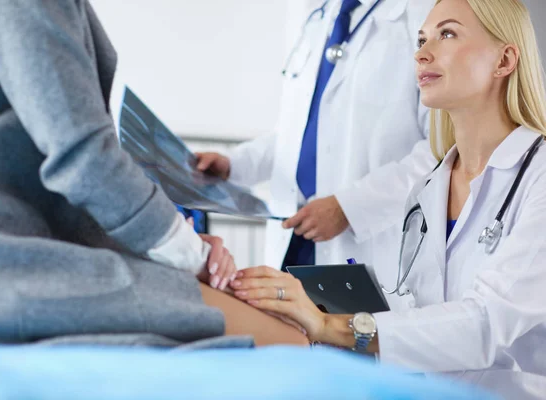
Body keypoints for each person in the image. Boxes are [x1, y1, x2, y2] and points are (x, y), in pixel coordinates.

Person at [229, 0, 546, 397]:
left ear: (504, 60)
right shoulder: (431, 188)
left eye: (447, 34)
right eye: (420, 39)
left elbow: (487, 323)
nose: (421, 53)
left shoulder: (538, 177)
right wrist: (307, 308)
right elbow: (419, 313)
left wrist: (333, 326)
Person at [0, 0, 307, 348]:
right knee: (289, 339)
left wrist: (177, 241)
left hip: (19, 246)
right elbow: (84, 157)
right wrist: (190, 253)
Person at [196, 0, 436, 269]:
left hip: (370, 242)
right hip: (295, 235)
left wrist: (350, 208)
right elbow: (298, 133)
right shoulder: (319, 14)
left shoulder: (424, 15)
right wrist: (234, 164)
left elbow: (441, 150)